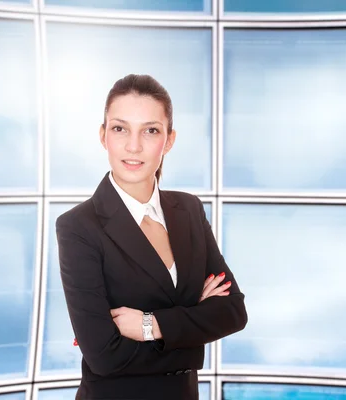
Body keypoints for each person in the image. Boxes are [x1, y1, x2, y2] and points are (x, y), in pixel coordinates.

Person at [55, 74, 248, 400]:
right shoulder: (78, 226)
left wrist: (150, 325)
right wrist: (194, 325)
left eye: (150, 130)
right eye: (120, 129)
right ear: (103, 136)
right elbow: (104, 356)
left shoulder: (188, 210)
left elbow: (232, 312)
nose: (134, 145)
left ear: (169, 140)